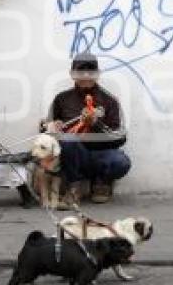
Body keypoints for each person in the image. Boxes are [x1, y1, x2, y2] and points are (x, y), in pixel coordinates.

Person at [46, 52, 131, 207]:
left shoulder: (109, 100)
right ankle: (74, 186)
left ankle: (101, 183)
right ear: (72, 74)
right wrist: (52, 126)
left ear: (98, 74)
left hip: (101, 154)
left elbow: (119, 138)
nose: (86, 76)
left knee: (122, 162)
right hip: (72, 156)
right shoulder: (61, 99)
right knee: (67, 139)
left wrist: (96, 123)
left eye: (91, 72)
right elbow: (46, 131)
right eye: (80, 71)